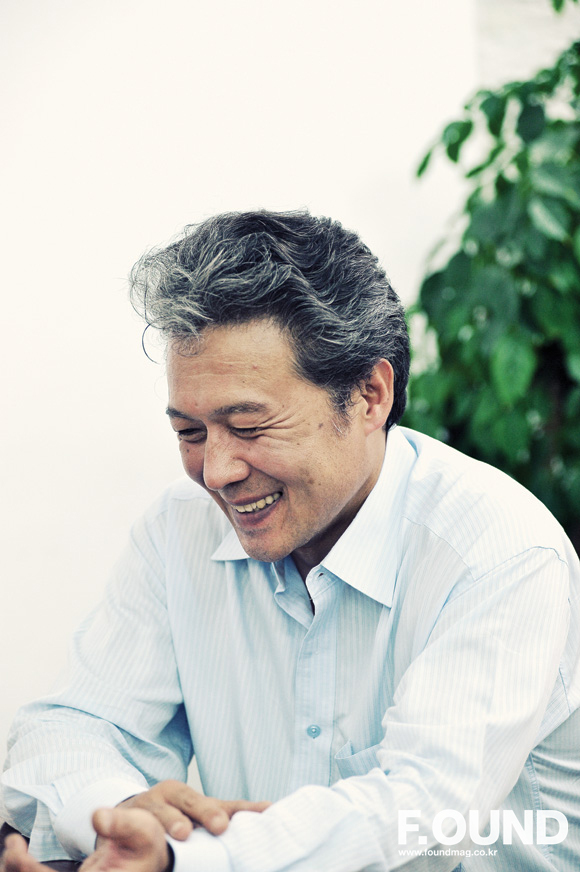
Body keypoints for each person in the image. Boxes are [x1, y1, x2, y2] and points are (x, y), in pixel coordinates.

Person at [1, 210, 579, 872]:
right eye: (190, 433)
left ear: (370, 396)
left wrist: (180, 859)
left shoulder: (498, 551)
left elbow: (419, 814)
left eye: (249, 426)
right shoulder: (178, 531)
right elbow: (70, 726)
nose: (215, 472)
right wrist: (123, 814)